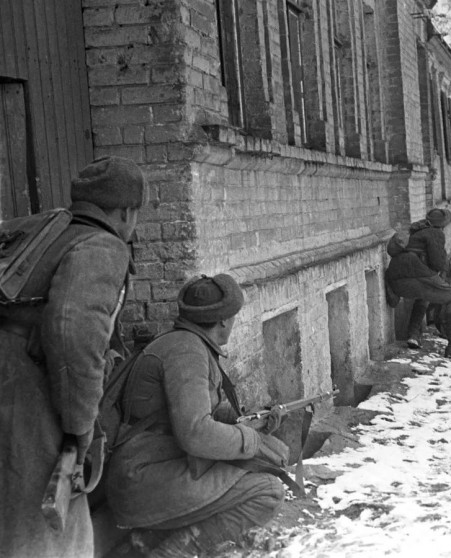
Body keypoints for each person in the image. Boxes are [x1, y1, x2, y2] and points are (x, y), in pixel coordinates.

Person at [0, 156, 145, 558]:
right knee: (49, 534)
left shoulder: (35, 232)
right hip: (28, 395)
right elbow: (72, 330)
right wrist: (79, 429)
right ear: (127, 211)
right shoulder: (101, 245)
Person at [106, 274, 289, 557]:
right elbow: (195, 432)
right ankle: (178, 549)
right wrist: (250, 440)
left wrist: (253, 420)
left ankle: (150, 538)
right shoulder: (186, 351)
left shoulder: (184, 343)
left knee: (265, 458)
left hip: (149, 469)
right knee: (268, 491)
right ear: (224, 321)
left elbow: (194, 412)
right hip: (144, 477)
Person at [385, 208, 451, 358]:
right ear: (443, 224)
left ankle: (413, 334)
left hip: (395, 277)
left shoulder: (416, 230)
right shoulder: (435, 233)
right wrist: (448, 257)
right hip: (414, 273)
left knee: (425, 295)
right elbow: (438, 264)